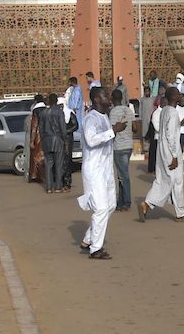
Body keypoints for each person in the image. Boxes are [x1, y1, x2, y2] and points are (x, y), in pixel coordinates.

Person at [140, 88, 184, 222]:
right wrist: (175, 156)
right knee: (169, 181)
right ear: (173, 97)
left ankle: (180, 213)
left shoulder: (165, 110)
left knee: (173, 181)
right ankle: (148, 203)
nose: (180, 96)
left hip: (164, 150)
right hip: (171, 152)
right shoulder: (171, 112)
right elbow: (170, 135)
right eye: (177, 94)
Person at [78, 86, 118, 260]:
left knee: (110, 206)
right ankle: (96, 249)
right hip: (94, 170)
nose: (109, 97)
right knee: (101, 208)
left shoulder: (104, 116)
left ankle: (88, 239)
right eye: (105, 95)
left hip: (106, 169)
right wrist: (113, 131)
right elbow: (91, 140)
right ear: (96, 99)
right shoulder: (91, 119)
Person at [108, 90, 135, 211]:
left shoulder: (113, 112)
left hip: (119, 147)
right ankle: (121, 201)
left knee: (123, 175)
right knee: (121, 174)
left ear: (113, 98)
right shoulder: (128, 110)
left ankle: (126, 202)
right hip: (129, 145)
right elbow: (135, 127)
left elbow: (113, 129)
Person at [40, 93, 68, 192]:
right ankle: (58, 187)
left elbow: (41, 129)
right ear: (56, 101)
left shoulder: (43, 113)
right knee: (59, 164)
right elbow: (63, 129)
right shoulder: (59, 112)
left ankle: (49, 187)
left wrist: (43, 141)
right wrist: (65, 141)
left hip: (46, 140)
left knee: (48, 164)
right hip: (57, 140)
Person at [25, 95, 47, 184]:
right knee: (44, 156)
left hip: (38, 136)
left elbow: (34, 126)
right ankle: (45, 175)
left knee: (36, 156)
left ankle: (36, 175)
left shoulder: (36, 111)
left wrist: (31, 140)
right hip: (47, 135)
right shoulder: (46, 109)